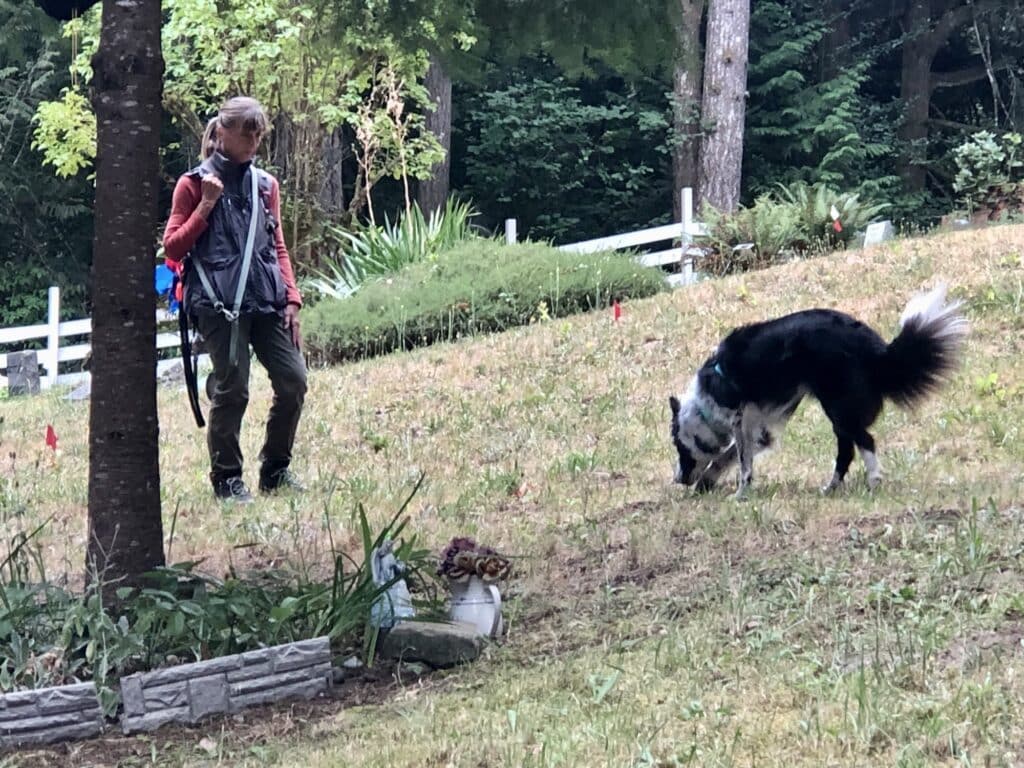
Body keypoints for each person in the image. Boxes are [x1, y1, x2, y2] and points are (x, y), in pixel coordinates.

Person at [163, 96, 307, 503]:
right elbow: (173, 248)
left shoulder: (266, 186)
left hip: (266, 299)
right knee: (233, 387)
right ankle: (227, 478)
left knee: (294, 380)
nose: (253, 140)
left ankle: (275, 470)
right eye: (246, 131)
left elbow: (277, 245)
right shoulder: (192, 184)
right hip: (216, 303)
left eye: (258, 132)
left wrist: (292, 300)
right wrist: (206, 205)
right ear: (222, 132)